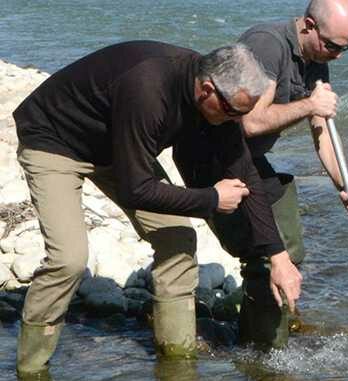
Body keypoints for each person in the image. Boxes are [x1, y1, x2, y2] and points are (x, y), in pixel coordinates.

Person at [12, 40, 299, 378]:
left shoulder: (217, 101)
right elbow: (136, 190)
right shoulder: (149, 89)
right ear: (208, 89)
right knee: (69, 259)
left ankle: (177, 364)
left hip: (119, 148)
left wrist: (278, 256)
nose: (236, 122)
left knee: (178, 240)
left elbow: (246, 172)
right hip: (56, 140)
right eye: (233, 112)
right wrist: (211, 199)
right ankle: (31, 368)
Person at [214, 0, 348, 349]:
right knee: (265, 253)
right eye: (334, 46)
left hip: (251, 160)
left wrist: (347, 188)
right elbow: (251, 122)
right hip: (218, 160)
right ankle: (265, 354)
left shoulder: (316, 58)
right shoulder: (267, 46)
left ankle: (259, 338)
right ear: (309, 25)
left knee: (290, 247)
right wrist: (311, 104)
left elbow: (322, 132)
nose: (339, 55)